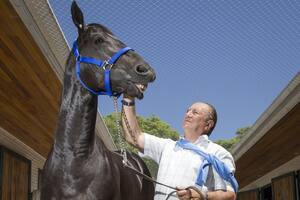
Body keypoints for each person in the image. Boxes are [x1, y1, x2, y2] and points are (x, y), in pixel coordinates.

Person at [121, 95, 237, 200]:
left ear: (208, 125)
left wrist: (202, 195)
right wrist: (128, 98)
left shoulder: (218, 153)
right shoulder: (167, 146)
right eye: (188, 111)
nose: (188, 114)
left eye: (195, 112)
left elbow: (230, 196)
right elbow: (133, 137)